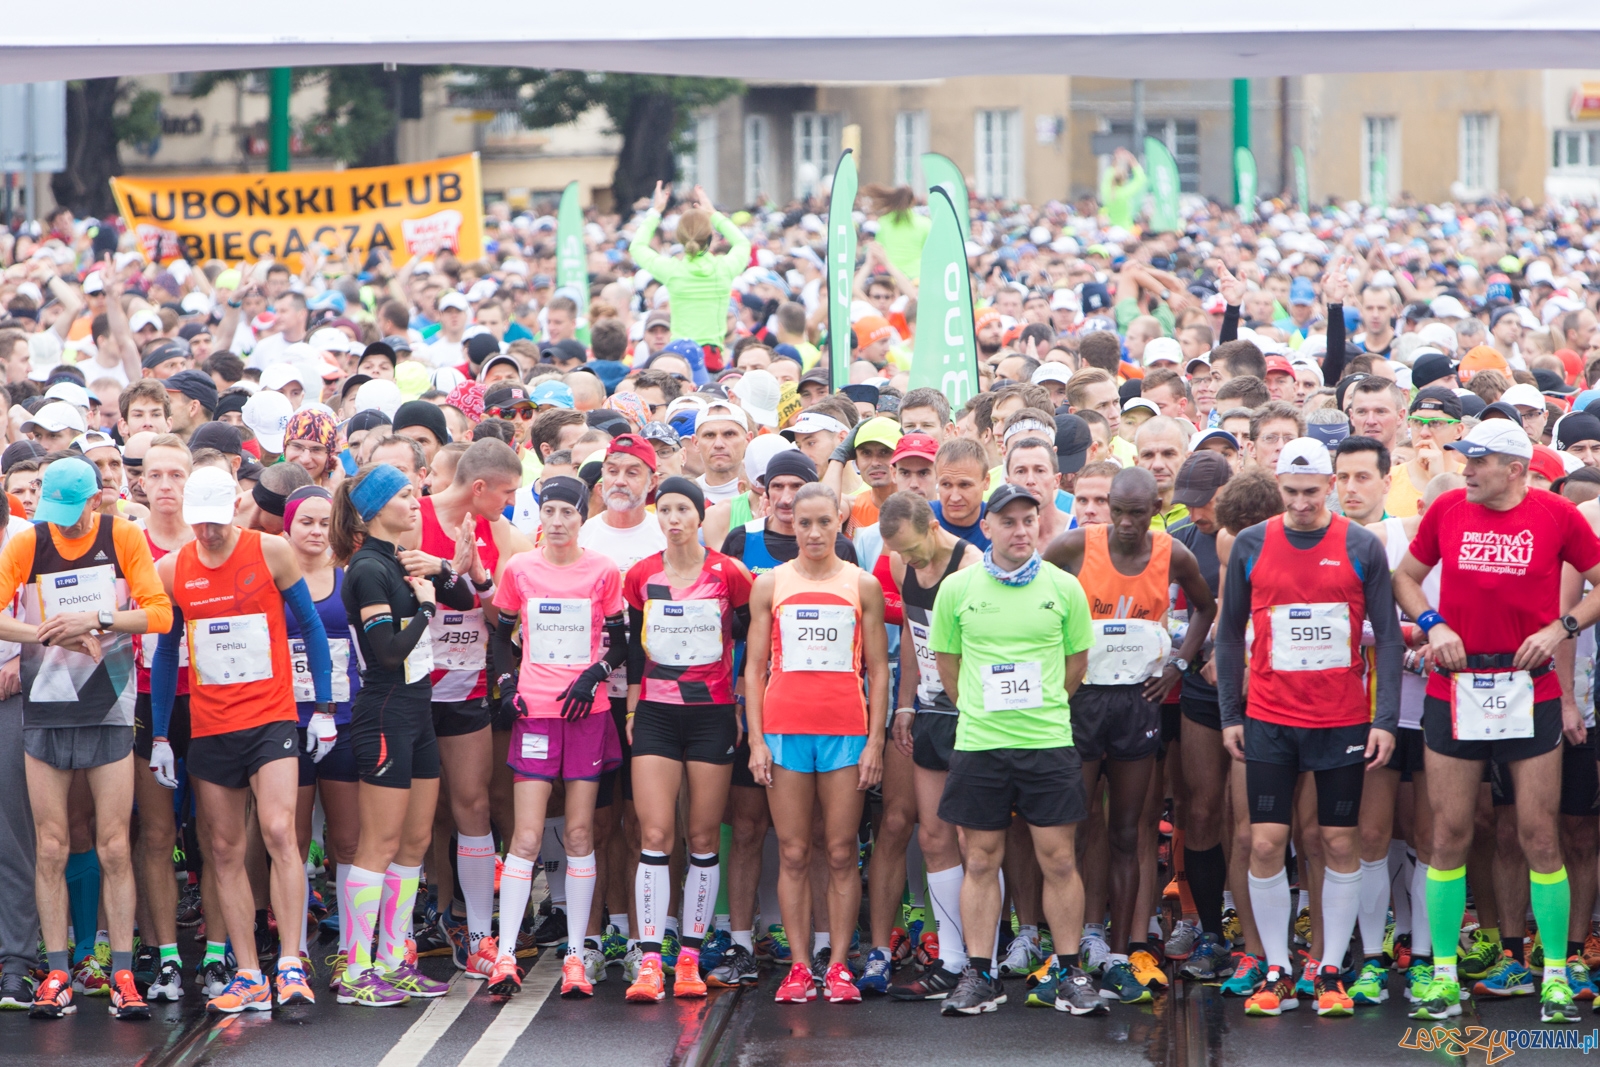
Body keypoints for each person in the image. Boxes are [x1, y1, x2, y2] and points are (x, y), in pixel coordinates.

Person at [1394, 421, 1600, 1025]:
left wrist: (1561, 628)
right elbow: (1405, 577)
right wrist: (1434, 625)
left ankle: (1556, 976)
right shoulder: (1449, 509)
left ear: (1513, 468)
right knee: (1449, 834)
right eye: (1464, 459)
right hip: (1454, 684)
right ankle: (1441, 977)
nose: (1465, 470)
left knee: (1539, 834)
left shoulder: (1558, 514)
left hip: (1527, 687)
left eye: (1476, 461)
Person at [1215, 438, 1401, 1019]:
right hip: (1270, 716)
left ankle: (1327, 971)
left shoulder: (1361, 544)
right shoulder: (1252, 542)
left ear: (1331, 487)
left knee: (1338, 841)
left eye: (1311, 492)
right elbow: (1227, 635)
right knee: (1267, 842)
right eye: (1290, 493)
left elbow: (1389, 637)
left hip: (1341, 718)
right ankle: (1275, 965)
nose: (1300, 503)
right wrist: (1228, 714)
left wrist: (1385, 720)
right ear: (1278, 489)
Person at [149, 465, 336, 1012]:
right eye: (197, 524)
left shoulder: (270, 552)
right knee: (224, 849)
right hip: (211, 725)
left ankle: (293, 964)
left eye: (215, 522)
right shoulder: (173, 568)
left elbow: (312, 628)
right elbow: (165, 654)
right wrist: (161, 735)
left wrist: (322, 708)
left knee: (279, 831)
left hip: (272, 716)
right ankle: (250, 973)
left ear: (233, 509)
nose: (206, 534)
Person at [0, 457, 171, 1021]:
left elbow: (160, 614)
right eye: (55, 514)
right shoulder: (29, 541)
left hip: (109, 706)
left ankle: (121, 972)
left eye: (73, 515)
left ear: (97, 501)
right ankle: (55, 973)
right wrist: (53, 636)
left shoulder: (121, 534)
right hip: (45, 709)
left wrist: (95, 620)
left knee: (114, 843)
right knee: (50, 844)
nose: (64, 525)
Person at [926, 482, 1102, 1016]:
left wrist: (1042, 709)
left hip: (1047, 742)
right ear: (987, 527)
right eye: (1008, 521)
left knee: (1059, 858)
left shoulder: (1063, 587)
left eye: (1029, 519)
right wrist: (983, 710)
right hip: (980, 743)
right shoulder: (957, 589)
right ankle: (981, 975)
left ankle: (1070, 972)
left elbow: (1076, 664)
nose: (1020, 529)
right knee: (980, 859)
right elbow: (948, 666)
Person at [1043, 467, 1216, 1002]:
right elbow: (1029, 588)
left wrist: (1181, 665)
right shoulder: (1075, 544)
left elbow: (1207, 608)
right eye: (1116, 509)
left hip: (1139, 702)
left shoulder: (1172, 554)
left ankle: (1119, 953)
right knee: (1072, 829)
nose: (1123, 521)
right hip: (1083, 699)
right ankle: (1069, 951)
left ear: (1156, 509)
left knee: (1126, 830)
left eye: (1136, 513)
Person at [328, 463, 475, 1006]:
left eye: (417, 492)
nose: (417, 502)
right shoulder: (368, 568)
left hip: (418, 710)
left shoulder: (401, 560)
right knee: (380, 844)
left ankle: (393, 961)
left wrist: (440, 569)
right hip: (386, 710)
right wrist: (427, 604)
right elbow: (388, 651)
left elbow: (466, 599)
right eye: (405, 495)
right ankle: (356, 969)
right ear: (373, 511)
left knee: (414, 843)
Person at [745, 483, 889, 1004]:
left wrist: (876, 740)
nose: (812, 532)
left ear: (840, 521)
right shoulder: (771, 584)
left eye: (823, 522)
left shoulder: (862, 584)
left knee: (841, 849)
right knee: (792, 849)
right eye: (802, 522)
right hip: (784, 732)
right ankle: (801, 965)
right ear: (788, 523)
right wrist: (757, 740)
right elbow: (754, 668)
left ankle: (839, 964)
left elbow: (877, 668)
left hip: (846, 730)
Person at [487, 475, 627, 998]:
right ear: (539, 516)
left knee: (580, 834)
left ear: (581, 517)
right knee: (524, 837)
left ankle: (575, 957)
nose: (560, 521)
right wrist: (505, 685)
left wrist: (595, 674)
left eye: (569, 511)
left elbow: (621, 641)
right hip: (536, 714)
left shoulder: (602, 570)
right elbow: (502, 638)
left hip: (586, 713)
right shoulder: (520, 568)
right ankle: (504, 957)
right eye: (551, 511)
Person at [620, 478, 753, 1001]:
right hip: (655, 712)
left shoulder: (729, 573)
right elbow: (633, 646)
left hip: (712, 713)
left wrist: (740, 701)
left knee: (701, 837)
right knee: (655, 835)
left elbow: (748, 639)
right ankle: (652, 959)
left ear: (700, 516)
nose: (673, 518)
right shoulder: (641, 574)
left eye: (683, 509)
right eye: (665, 509)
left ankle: (692, 958)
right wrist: (632, 706)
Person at [404, 440, 532, 977]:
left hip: (468, 685)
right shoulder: (415, 519)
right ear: (479, 487)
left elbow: (507, 612)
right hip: (410, 687)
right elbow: (400, 586)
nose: (509, 503)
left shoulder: (498, 532)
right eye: (506, 493)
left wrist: (472, 575)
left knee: (472, 805)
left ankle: (481, 933)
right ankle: (403, 937)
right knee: (411, 819)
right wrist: (442, 568)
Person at [879, 491, 980, 1001]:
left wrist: (973, 710)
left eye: (917, 552)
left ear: (934, 528)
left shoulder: (970, 565)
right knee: (933, 838)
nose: (912, 561)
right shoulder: (901, 562)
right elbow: (912, 636)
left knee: (973, 841)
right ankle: (952, 958)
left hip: (970, 715)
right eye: (904, 555)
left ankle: (978, 959)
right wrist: (904, 705)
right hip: (929, 711)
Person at [279, 485, 364, 990]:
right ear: (287, 528)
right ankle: (293, 947)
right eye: (304, 522)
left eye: (322, 522)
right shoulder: (272, 579)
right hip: (286, 720)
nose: (314, 531)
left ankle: (353, 949)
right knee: (289, 838)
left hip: (344, 718)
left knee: (348, 837)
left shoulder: (349, 580)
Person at [126, 435, 199, 1001]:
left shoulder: (211, 539)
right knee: (156, 832)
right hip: (149, 699)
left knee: (217, 833)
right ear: (142, 483)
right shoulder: (131, 544)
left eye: (179, 474)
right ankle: (164, 952)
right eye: (158, 475)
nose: (168, 485)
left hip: (212, 698)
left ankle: (225, 947)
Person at [1167, 450, 1234, 982]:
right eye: (1187, 504)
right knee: (1203, 808)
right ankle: (1209, 927)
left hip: (1258, 693)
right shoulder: (1184, 543)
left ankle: (1254, 931)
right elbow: (1179, 615)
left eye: (1204, 504)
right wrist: (1193, 654)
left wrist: (1228, 654)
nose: (1195, 514)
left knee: (1253, 818)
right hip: (1200, 693)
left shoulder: (1261, 534)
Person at [628, 184, 752, 375]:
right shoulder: (723, 269)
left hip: (678, 358)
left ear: (680, 238)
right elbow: (743, 243)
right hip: (710, 359)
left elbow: (637, 247)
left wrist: (656, 212)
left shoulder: (673, 270)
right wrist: (713, 214)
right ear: (710, 236)